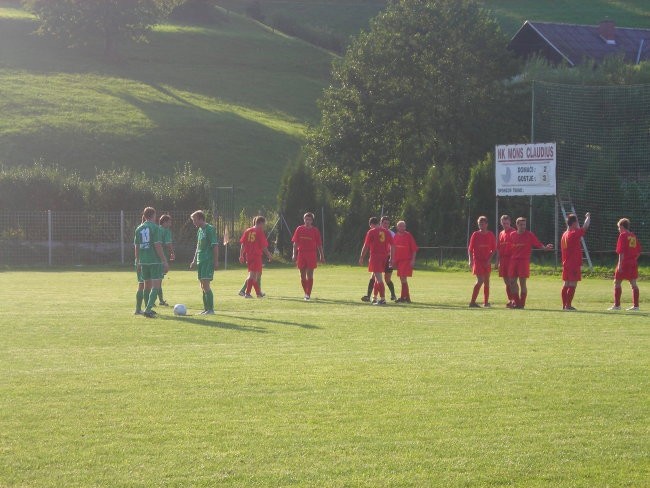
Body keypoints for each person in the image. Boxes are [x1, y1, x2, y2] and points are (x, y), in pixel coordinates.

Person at [508, 217, 553, 309]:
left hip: (523, 261)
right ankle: (517, 302)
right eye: (521, 224)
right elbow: (509, 248)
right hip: (513, 261)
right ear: (517, 225)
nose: (523, 226)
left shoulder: (529, 235)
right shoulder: (512, 235)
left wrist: (545, 248)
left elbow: (538, 244)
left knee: (522, 283)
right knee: (512, 282)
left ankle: (521, 304)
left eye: (524, 224)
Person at [134, 207, 169, 318]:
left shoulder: (139, 228)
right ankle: (148, 310)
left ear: (144, 216)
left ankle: (143, 308)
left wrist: (138, 261)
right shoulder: (156, 228)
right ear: (154, 215)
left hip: (143, 261)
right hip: (154, 261)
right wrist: (164, 261)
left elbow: (137, 247)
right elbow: (157, 245)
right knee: (156, 286)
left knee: (146, 286)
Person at [359, 216, 395, 305]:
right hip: (384, 257)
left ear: (371, 225)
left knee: (379, 279)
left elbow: (366, 246)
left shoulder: (371, 232)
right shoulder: (387, 232)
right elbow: (393, 246)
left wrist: (361, 257)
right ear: (379, 223)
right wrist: (391, 258)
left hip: (375, 257)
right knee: (376, 278)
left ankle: (382, 299)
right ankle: (374, 298)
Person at [189, 210, 218, 315]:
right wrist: (194, 260)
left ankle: (211, 309)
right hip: (200, 260)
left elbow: (215, 245)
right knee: (202, 285)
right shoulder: (200, 230)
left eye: (194, 220)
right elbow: (198, 246)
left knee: (206, 285)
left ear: (201, 219)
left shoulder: (210, 229)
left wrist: (215, 261)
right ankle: (206, 309)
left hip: (207, 260)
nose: (194, 222)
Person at [609, 218, 642, 311]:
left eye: (619, 227)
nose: (618, 229)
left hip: (624, 263)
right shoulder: (633, 236)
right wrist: (633, 259)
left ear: (622, 227)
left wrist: (620, 264)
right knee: (634, 284)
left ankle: (617, 305)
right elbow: (639, 252)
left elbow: (621, 252)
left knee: (617, 282)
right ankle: (636, 306)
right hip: (633, 263)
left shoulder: (622, 235)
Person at [561, 212, 591, 310]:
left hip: (566, 262)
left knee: (566, 284)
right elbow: (585, 227)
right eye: (577, 222)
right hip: (573, 263)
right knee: (573, 284)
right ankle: (568, 305)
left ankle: (564, 304)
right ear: (574, 223)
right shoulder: (573, 234)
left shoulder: (565, 234)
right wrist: (588, 217)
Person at [292, 212, 325, 300]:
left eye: (309, 219)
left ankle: (308, 294)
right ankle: (306, 292)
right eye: (306, 219)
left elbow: (319, 245)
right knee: (302, 275)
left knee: (309, 274)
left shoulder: (315, 230)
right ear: (304, 220)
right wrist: (294, 254)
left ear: (312, 221)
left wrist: (322, 255)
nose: (307, 221)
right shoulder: (299, 229)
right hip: (301, 254)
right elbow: (295, 243)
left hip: (311, 254)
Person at [239, 216, 273, 298]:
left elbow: (243, 245)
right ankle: (247, 293)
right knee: (253, 276)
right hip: (256, 256)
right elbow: (264, 247)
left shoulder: (247, 231)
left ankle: (258, 293)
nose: (263, 226)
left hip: (249, 255)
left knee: (254, 276)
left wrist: (241, 255)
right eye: (263, 224)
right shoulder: (259, 232)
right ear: (260, 223)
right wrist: (269, 255)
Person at [468, 216, 497, 307]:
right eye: (480, 223)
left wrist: (489, 260)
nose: (481, 225)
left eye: (483, 223)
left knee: (487, 281)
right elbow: (470, 249)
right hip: (478, 261)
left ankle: (486, 302)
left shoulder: (490, 235)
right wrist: (470, 260)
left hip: (486, 262)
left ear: (487, 224)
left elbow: (494, 249)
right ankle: (472, 302)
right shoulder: (475, 234)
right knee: (480, 280)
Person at [392, 220, 418, 303]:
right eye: (400, 226)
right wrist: (393, 260)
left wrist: (413, 260)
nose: (402, 227)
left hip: (406, 260)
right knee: (402, 279)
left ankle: (404, 298)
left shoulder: (408, 235)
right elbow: (393, 249)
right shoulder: (395, 236)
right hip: (399, 261)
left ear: (405, 227)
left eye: (403, 226)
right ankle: (406, 298)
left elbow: (414, 249)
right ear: (397, 227)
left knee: (403, 278)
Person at [495, 215, 516, 308]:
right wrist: (497, 261)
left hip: (512, 259)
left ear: (510, 222)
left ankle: (516, 300)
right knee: (506, 282)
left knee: (512, 281)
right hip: (503, 260)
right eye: (503, 223)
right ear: (501, 223)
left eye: (507, 223)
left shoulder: (514, 232)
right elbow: (499, 248)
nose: (505, 225)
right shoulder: (501, 233)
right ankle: (510, 300)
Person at [157, 213, 175, 307]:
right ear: (164, 222)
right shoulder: (166, 231)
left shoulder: (156, 229)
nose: (170, 223)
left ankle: (151, 300)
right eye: (169, 221)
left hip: (153, 257)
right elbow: (168, 244)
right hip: (161, 258)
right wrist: (172, 253)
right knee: (158, 280)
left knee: (152, 280)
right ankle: (160, 300)